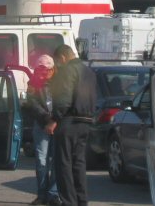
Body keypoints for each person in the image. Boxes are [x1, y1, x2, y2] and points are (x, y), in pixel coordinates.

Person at [46, 45, 97, 206]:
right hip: (86, 121)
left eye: (57, 62)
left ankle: (68, 201)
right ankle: (82, 201)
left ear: (62, 58)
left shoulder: (67, 70)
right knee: (79, 164)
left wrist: (54, 119)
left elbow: (64, 98)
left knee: (64, 164)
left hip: (69, 121)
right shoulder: (89, 71)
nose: (58, 65)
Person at [24, 54, 61, 206]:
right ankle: (42, 195)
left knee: (56, 160)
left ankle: (53, 194)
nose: (43, 73)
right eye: (40, 70)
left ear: (53, 70)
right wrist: (47, 120)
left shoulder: (60, 83)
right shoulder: (32, 83)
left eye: (46, 70)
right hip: (41, 125)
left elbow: (63, 103)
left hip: (58, 125)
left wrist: (55, 121)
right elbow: (32, 103)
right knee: (41, 160)